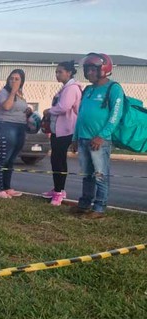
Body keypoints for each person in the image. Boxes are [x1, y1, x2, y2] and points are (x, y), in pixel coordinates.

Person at [70, 53, 124, 218]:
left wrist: (102, 135)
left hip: (100, 141)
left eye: (93, 69)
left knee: (100, 175)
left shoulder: (113, 88)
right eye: (88, 69)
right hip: (83, 139)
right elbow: (81, 115)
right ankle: (85, 204)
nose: (90, 73)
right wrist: (75, 138)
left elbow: (116, 115)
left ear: (104, 69)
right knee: (87, 175)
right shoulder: (88, 90)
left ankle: (99, 208)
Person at [41, 61, 82, 206]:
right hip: (57, 130)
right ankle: (58, 189)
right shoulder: (65, 88)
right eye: (56, 72)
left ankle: (58, 192)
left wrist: (49, 111)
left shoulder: (71, 88)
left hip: (65, 130)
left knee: (58, 161)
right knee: (57, 160)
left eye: (60, 72)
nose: (57, 75)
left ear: (69, 73)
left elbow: (64, 107)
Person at [0, 69, 31, 199]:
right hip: (6, 125)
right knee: (3, 158)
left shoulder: (21, 94)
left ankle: (7, 187)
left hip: (20, 126)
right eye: (11, 78)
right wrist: (13, 91)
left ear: (22, 81)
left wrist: (28, 111)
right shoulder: (3, 92)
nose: (13, 81)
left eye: (17, 79)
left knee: (11, 159)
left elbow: (19, 109)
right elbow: (7, 106)